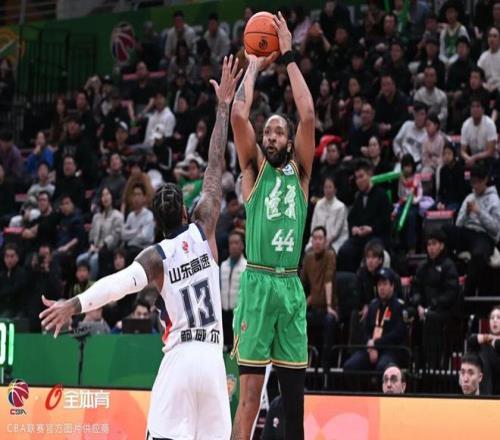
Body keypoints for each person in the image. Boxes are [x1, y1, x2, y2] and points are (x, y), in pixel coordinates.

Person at [40, 55, 242, 439]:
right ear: (185, 210)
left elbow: (115, 285)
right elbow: (215, 167)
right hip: (214, 358)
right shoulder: (204, 228)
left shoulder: (155, 257)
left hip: (181, 358)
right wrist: (222, 108)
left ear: (156, 223)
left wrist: (74, 304)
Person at [230, 12, 315, 439]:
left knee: (294, 404)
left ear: (290, 140)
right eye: (268, 133)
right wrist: (253, 65)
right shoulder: (254, 170)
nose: (271, 137)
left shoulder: (301, 173)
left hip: (290, 286)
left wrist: (289, 57)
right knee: (248, 400)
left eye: (279, 132)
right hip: (259, 284)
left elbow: (308, 113)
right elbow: (238, 115)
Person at [444, 163, 500, 296]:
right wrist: (467, 213)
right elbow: (458, 224)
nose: (475, 186)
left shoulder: (494, 199)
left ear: (485, 180)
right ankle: (446, 273)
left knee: (478, 254)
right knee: (444, 231)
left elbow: (496, 229)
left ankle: (467, 293)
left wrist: (479, 212)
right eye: (472, 182)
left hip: (484, 235)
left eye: (477, 182)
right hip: (467, 232)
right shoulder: (469, 197)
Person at [411, 229, 459, 369]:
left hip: (443, 310)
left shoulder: (448, 266)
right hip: (423, 309)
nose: (431, 248)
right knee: (408, 314)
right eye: (428, 244)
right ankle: (413, 362)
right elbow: (416, 288)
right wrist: (418, 304)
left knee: (431, 317)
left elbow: (451, 293)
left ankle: (433, 365)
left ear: (442, 245)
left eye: (434, 244)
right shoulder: (422, 266)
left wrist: (432, 305)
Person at [344, 268, 406, 372]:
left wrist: (376, 344)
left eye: (385, 284)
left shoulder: (399, 306)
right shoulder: (373, 305)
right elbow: (366, 330)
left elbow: (398, 334)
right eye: (379, 285)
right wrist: (370, 345)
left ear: (392, 286)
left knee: (382, 367)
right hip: (371, 348)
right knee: (349, 366)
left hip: (391, 349)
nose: (381, 288)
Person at [337, 159, 393, 272]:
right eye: (357, 178)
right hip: (360, 237)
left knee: (371, 250)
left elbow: (385, 221)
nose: (359, 181)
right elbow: (351, 218)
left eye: (361, 176)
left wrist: (371, 229)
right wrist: (354, 228)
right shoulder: (358, 197)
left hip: (377, 236)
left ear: (369, 175)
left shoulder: (382, 195)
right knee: (344, 251)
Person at [301, 226, 337, 368]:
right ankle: (300, 363)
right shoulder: (308, 258)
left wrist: (329, 306)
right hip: (313, 308)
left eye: (320, 238)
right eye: (314, 238)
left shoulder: (330, 255)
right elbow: (302, 283)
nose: (317, 242)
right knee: (297, 320)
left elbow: (328, 279)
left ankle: (325, 367)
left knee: (329, 321)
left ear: (325, 241)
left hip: (328, 309)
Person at [307, 176, 348, 253]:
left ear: (335, 190)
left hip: (335, 240)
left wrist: (326, 241)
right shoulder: (319, 204)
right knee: (308, 250)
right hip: (317, 238)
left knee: (328, 252)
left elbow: (337, 230)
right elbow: (313, 224)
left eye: (330, 187)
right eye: (325, 187)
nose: (327, 190)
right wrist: (316, 239)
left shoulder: (341, 207)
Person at [220, 230, 247, 348]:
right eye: (231, 243)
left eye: (236, 243)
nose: (233, 246)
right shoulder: (223, 265)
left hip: (239, 313)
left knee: (237, 347)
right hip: (224, 311)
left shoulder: (246, 266)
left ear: (242, 246)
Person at [468, 305, 500, 395]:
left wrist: (495, 341)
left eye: (498, 317)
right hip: (487, 390)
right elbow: (471, 340)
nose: (494, 320)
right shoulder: (485, 342)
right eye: (492, 318)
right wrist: (489, 338)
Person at [460, 97, 497, 169]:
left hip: (487, 157)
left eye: (478, 106)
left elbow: (491, 151)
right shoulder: (466, 124)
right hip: (472, 157)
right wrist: (468, 158)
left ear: (483, 110)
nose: (475, 109)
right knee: (460, 161)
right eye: (473, 106)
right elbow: (462, 151)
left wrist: (474, 158)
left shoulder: (490, 124)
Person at [397, 154, 423, 253]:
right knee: (399, 215)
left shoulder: (417, 177)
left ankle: (412, 246)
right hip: (403, 203)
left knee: (411, 217)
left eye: (409, 166)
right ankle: (401, 246)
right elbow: (400, 194)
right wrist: (402, 183)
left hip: (413, 204)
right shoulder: (401, 179)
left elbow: (420, 193)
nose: (407, 169)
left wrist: (413, 200)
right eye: (405, 166)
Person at [477, 26, 500, 92]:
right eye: (490, 36)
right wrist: (484, 85)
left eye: (495, 36)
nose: (492, 39)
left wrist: (496, 87)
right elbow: (478, 75)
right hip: (487, 89)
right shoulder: (483, 56)